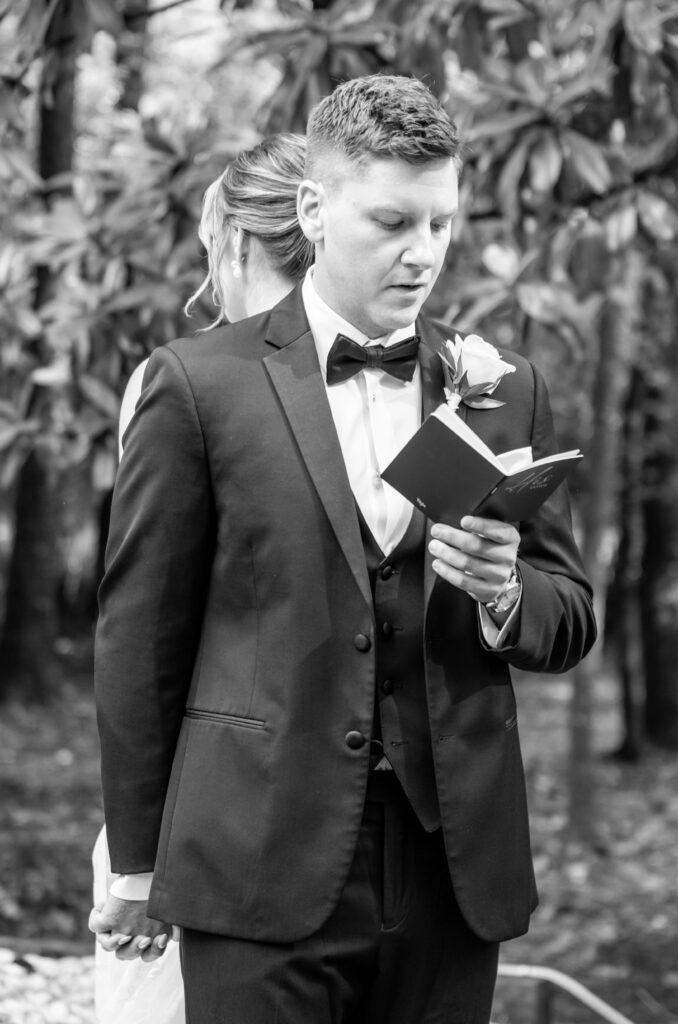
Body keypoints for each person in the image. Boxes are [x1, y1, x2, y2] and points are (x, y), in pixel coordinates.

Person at [91, 74, 596, 1024]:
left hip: (452, 869)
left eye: (441, 225)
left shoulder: (500, 387)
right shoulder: (199, 386)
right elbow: (138, 639)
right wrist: (136, 857)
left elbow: (568, 616)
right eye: (392, 223)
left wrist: (503, 595)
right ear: (315, 212)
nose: (423, 254)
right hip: (254, 856)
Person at [91, 132, 313, 1024]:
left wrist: (141, 860)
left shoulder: (173, 380)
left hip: (206, 810)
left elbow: (145, 635)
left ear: (230, 239)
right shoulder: (187, 383)